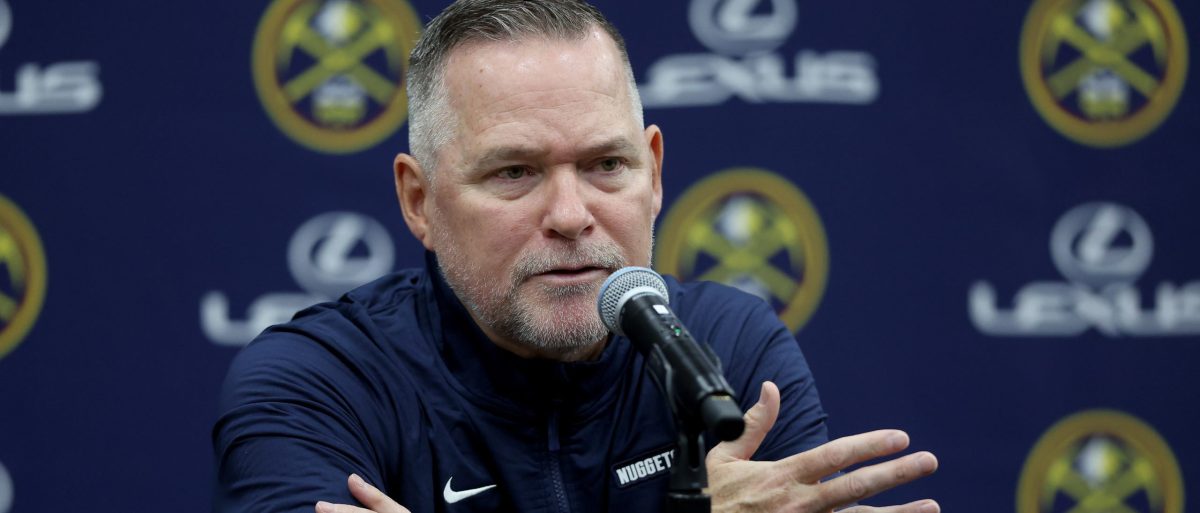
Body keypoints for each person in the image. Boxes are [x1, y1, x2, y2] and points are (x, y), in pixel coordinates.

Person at [212, 1, 940, 512]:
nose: (569, 215)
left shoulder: (730, 352)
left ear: (654, 173)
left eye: (605, 165)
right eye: (514, 172)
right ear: (419, 199)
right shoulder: (316, 385)